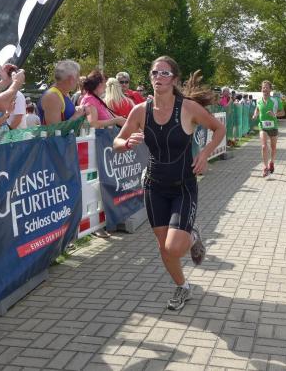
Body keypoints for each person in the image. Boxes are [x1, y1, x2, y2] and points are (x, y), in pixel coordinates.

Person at [113, 56, 225, 311]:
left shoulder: (187, 108)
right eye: (155, 73)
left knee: (173, 247)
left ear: (174, 79)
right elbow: (116, 142)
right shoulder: (140, 110)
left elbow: (218, 129)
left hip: (183, 185)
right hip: (154, 186)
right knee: (164, 247)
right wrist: (127, 143)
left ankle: (192, 236)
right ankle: (182, 286)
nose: (158, 77)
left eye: (165, 73)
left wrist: (205, 154)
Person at [38, 59, 88, 125]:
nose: (78, 81)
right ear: (71, 79)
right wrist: (77, 115)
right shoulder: (52, 96)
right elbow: (54, 129)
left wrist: (77, 110)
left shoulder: (64, 93)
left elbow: (66, 115)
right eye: (77, 77)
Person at [253, 80, 285, 177]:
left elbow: (283, 113)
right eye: (263, 87)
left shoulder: (276, 100)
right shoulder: (258, 100)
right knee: (264, 146)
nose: (265, 89)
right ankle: (265, 167)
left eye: (267, 87)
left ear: (270, 89)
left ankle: (272, 162)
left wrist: (274, 114)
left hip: (273, 126)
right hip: (262, 126)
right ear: (261, 89)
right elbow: (257, 109)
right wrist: (255, 115)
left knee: (273, 147)